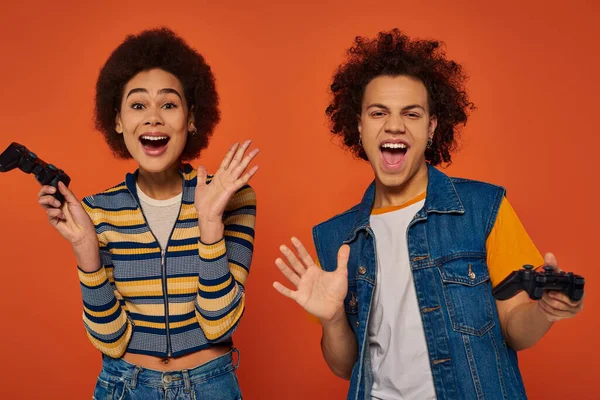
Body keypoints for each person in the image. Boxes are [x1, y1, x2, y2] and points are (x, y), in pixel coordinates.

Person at [273, 29, 583, 400]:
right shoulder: (334, 238)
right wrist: (332, 318)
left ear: (431, 126)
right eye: (378, 112)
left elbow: (515, 330)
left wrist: (545, 311)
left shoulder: (483, 208)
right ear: (359, 125)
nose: (394, 125)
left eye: (411, 113)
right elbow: (345, 367)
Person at [37, 28, 257, 399]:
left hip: (210, 385)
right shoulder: (97, 211)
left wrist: (209, 226)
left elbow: (218, 325)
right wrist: (86, 249)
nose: (153, 118)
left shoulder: (232, 196)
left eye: (169, 105)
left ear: (191, 119)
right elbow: (111, 339)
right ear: (119, 121)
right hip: (126, 387)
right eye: (138, 105)